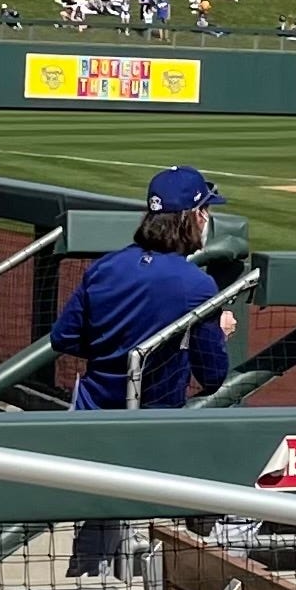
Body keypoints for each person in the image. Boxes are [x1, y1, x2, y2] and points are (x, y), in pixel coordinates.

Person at [49, 166, 236, 410]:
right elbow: (212, 375)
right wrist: (220, 332)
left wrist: (112, 352)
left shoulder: (105, 266)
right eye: (205, 209)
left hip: (89, 408)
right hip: (152, 420)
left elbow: (63, 338)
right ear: (194, 215)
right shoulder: (197, 285)